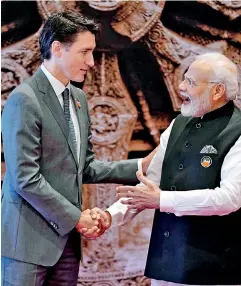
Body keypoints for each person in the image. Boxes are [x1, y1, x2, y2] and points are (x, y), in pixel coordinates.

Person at [1, 10, 153, 286]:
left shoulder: (78, 99)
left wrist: (141, 165)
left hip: (67, 244)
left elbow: (85, 167)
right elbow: (25, 177)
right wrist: (77, 217)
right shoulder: (24, 100)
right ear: (57, 48)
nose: (92, 62)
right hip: (27, 245)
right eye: (85, 52)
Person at [106, 53, 241, 285]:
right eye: (184, 79)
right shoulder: (176, 125)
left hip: (217, 273)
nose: (181, 87)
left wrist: (162, 200)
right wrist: (108, 215)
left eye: (191, 82)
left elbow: (230, 198)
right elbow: (150, 187)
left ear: (217, 91)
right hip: (167, 268)